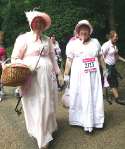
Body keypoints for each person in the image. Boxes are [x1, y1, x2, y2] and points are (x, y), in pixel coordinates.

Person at [11, 10, 63, 149]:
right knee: (35, 104)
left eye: (41, 22)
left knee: (48, 102)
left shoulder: (47, 40)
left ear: (44, 24)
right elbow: (15, 58)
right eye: (36, 21)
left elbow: (53, 58)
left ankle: (47, 129)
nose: (38, 24)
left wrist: (59, 74)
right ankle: (42, 137)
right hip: (30, 79)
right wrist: (27, 67)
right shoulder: (23, 39)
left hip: (48, 78)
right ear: (31, 23)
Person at [64, 20, 105, 133]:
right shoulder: (73, 44)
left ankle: (95, 121)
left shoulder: (95, 42)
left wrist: (105, 70)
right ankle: (80, 120)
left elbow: (101, 57)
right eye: (81, 29)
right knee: (80, 96)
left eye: (86, 29)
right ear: (77, 31)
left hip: (93, 77)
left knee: (94, 96)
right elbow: (69, 60)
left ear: (89, 30)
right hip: (78, 77)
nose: (83, 31)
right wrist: (66, 74)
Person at [101, 30, 125, 105]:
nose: (116, 38)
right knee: (112, 82)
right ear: (111, 37)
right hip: (107, 66)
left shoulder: (114, 46)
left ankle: (110, 95)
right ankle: (117, 98)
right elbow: (101, 56)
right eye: (115, 36)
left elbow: (116, 56)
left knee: (113, 81)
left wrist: (124, 60)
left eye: (117, 36)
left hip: (113, 66)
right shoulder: (106, 45)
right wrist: (104, 67)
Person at [0, 31, 6, 101]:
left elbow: (3, 55)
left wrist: (3, 62)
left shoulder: (2, 47)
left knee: (1, 77)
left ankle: (1, 91)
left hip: (1, 63)